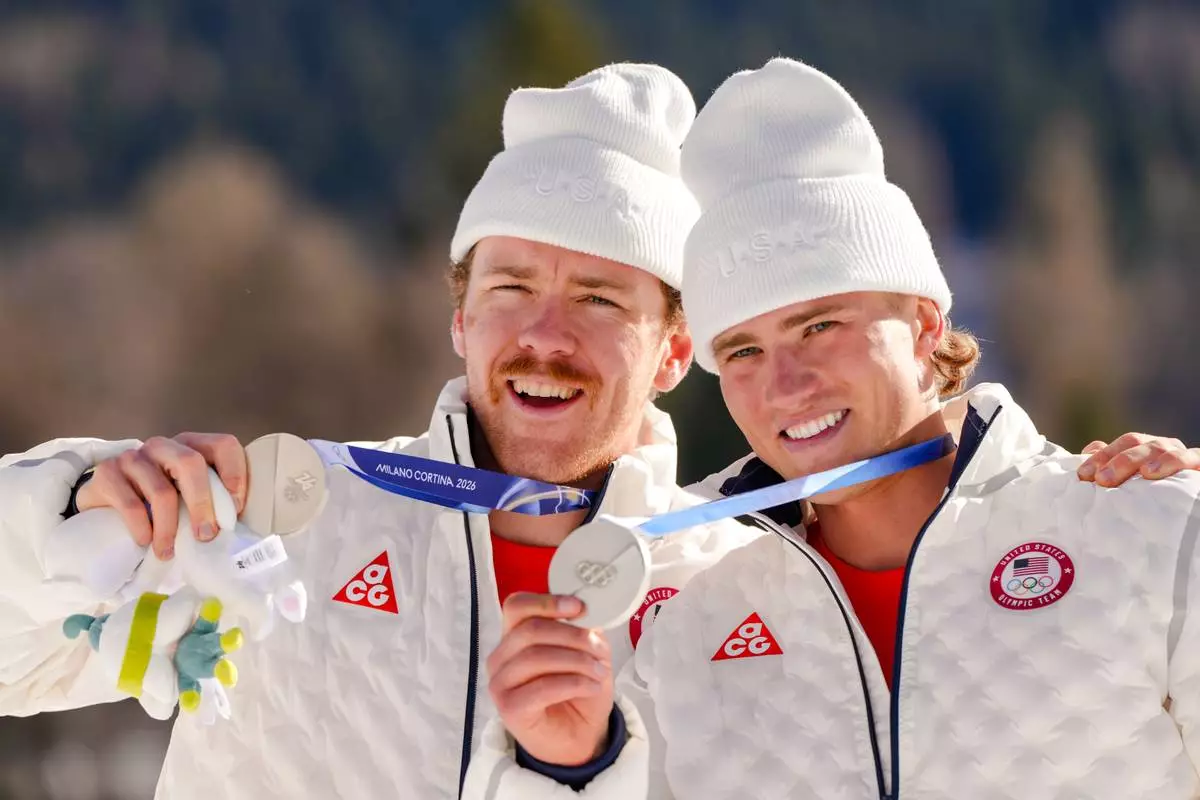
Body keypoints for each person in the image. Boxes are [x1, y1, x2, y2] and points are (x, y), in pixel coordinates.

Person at [0, 63, 762, 800]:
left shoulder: (739, 593)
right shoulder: (291, 519)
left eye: (599, 300)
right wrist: (66, 519)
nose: (545, 335)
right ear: (461, 321)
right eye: (511, 287)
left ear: (675, 350)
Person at [468, 58, 1200, 799]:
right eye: (743, 351)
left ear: (922, 324)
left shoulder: (1148, 530)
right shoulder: (681, 607)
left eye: (819, 326)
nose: (785, 384)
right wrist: (572, 764)